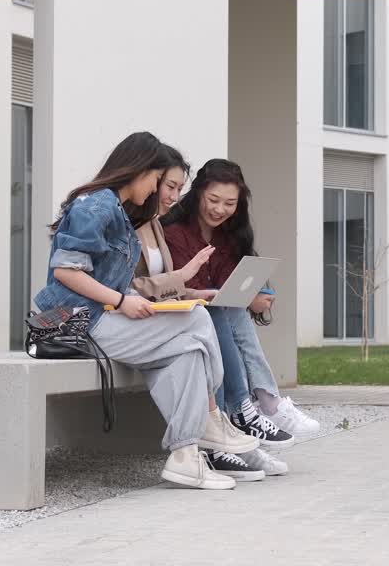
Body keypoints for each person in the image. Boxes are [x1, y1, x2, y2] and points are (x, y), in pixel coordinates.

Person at [32, 133, 258, 491]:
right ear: (138, 170)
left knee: (186, 351)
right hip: (78, 322)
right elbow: (66, 271)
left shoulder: (119, 214)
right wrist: (122, 302)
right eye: (157, 180)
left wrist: (142, 302)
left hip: (101, 318)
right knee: (197, 320)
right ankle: (213, 419)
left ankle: (186, 457)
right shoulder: (96, 206)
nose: (156, 190)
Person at [129, 145, 288, 480]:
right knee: (212, 313)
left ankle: (244, 418)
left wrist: (244, 294)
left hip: (170, 310)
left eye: (176, 188)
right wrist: (197, 291)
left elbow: (187, 283)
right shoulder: (157, 228)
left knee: (219, 310)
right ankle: (245, 415)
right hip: (139, 316)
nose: (172, 195)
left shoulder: (155, 225)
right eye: (168, 186)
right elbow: (134, 285)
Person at [163, 158, 323, 443]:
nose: (219, 209)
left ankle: (254, 410)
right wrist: (243, 300)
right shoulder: (175, 233)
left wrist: (253, 294)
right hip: (181, 314)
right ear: (198, 192)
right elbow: (192, 289)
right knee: (225, 311)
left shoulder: (228, 235)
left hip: (216, 317)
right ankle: (261, 404)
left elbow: (227, 285)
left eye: (229, 203)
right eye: (213, 199)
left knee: (229, 311)